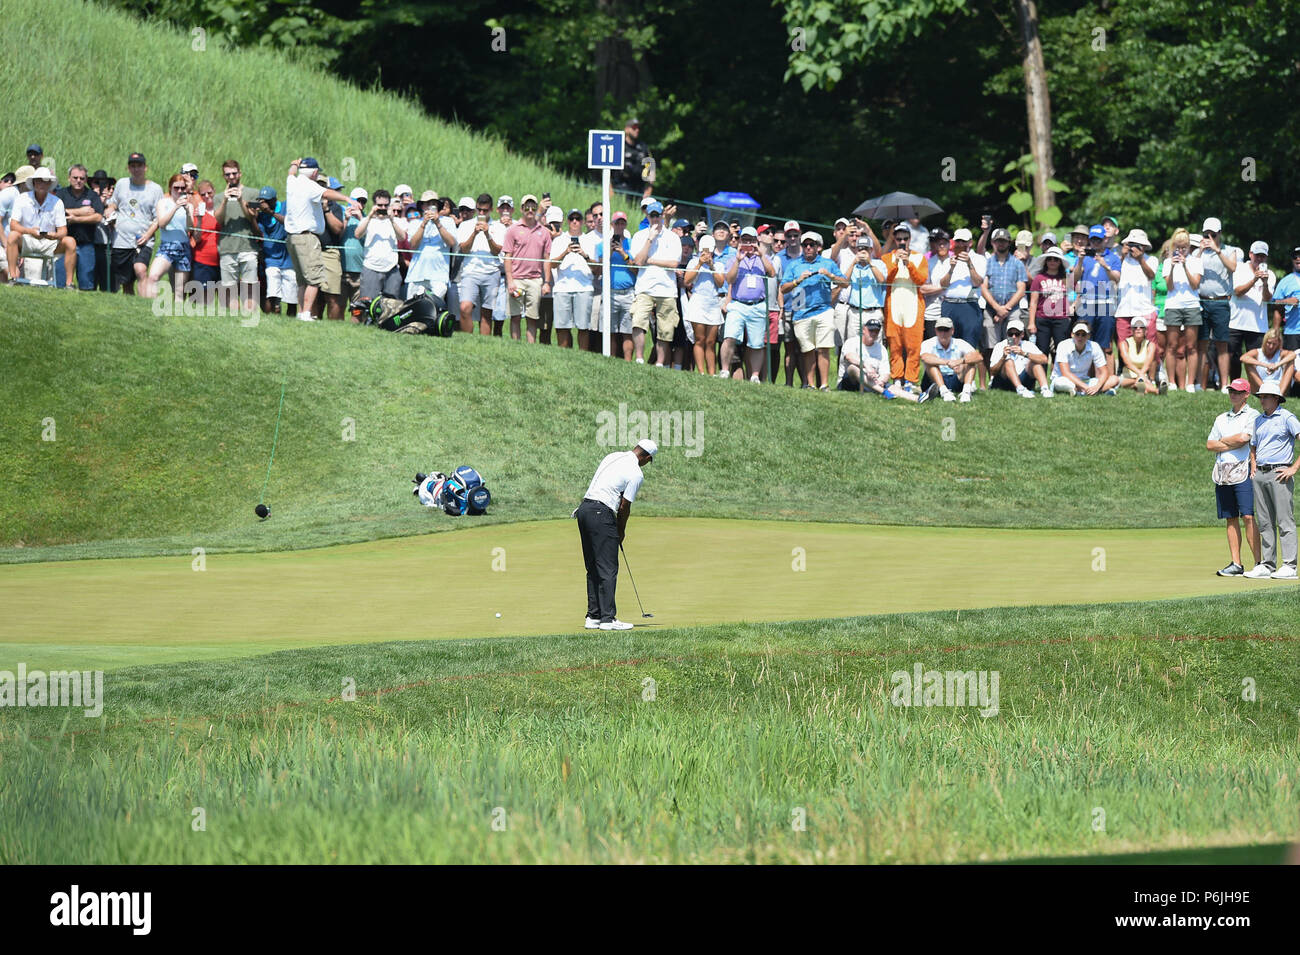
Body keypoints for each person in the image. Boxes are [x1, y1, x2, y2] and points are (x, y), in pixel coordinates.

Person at [575, 439, 657, 631]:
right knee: (608, 568)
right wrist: (620, 531)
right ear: (646, 457)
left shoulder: (613, 456)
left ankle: (593, 616)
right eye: (649, 461)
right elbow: (624, 506)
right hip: (601, 514)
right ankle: (607, 619)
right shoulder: (637, 473)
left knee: (593, 566)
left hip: (584, 510)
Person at [283, 157, 357, 322]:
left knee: (302, 280)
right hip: (307, 238)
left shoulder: (292, 182)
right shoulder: (310, 185)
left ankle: (301, 313)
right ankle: (307, 314)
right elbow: (326, 193)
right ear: (315, 172)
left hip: (292, 237)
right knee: (315, 279)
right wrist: (347, 199)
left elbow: (291, 172)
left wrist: (294, 164)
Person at [780, 231, 849, 390]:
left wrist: (830, 275)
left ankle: (824, 384)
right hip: (801, 312)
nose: (809, 248)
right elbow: (783, 288)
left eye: (812, 245)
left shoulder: (827, 263)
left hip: (823, 310)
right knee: (807, 349)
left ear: (818, 247)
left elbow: (845, 283)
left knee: (824, 348)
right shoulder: (794, 265)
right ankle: (810, 384)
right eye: (805, 245)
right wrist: (798, 281)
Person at [1245, 379, 1299, 579]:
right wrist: (1253, 466)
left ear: (1276, 398)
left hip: (1280, 474)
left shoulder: (1287, 418)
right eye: (1260, 397)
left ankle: (1289, 565)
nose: (1262, 400)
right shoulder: (1258, 420)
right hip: (1260, 473)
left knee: (1285, 520)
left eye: (1265, 397)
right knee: (1265, 521)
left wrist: (1293, 468)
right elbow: (1253, 445)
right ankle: (1267, 565)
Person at [1207, 379, 1261, 576]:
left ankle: (1259, 563)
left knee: (1247, 516)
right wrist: (1229, 442)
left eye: (1238, 392)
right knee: (1230, 518)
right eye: (1231, 391)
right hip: (1222, 472)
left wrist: (1222, 441)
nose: (1233, 394)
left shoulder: (1253, 414)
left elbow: (1243, 439)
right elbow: (1209, 445)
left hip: (1243, 471)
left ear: (1246, 394)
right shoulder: (1221, 418)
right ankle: (1236, 564)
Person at [629, 200, 682, 366]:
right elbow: (638, 261)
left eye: (657, 215)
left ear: (662, 215)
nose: (655, 219)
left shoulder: (673, 237)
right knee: (638, 321)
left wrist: (650, 260)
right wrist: (650, 239)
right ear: (648, 216)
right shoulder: (639, 236)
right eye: (651, 216)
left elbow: (674, 263)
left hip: (667, 290)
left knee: (665, 330)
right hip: (644, 288)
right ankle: (639, 358)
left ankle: (660, 363)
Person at [932, 227, 987, 387]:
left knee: (969, 344)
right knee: (949, 342)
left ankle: (968, 381)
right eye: (958, 241)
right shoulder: (948, 259)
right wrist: (951, 268)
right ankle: (952, 379)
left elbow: (978, 282)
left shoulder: (979, 259)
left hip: (969, 304)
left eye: (964, 241)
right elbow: (942, 284)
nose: (961, 244)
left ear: (970, 243)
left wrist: (969, 263)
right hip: (949, 304)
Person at [1190, 216, 1239, 392]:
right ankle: (1199, 384)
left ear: (1220, 233)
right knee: (1201, 344)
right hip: (1202, 301)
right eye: (1206, 234)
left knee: (1221, 345)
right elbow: (1191, 268)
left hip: (1221, 302)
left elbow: (1232, 267)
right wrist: (1201, 251)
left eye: (1212, 234)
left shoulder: (1230, 250)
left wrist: (1218, 250)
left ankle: (1224, 384)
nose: (1209, 237)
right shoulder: (1198, 253)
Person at [4, 167, 75, 286]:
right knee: (12, 236)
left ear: (50, 184)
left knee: (70, 242)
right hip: (27, 240)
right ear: (33, 182)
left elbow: (63, 230)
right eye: (39, 180)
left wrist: (54, 235)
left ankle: (69, 284)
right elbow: (13, 225)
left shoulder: (57, 202)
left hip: (48, 241)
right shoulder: (22, 198)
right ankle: (13, 278)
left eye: (45, 181)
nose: (42, 183)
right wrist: (30, 231)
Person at [105, 152, 162, 295]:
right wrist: (109, 211)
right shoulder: (122, 184)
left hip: (142, 240)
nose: (136, 169)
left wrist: (148, 235)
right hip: (121, 239)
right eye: (133, 166)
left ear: (145, 168)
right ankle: (133, 308)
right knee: (126, 281)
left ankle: (147, 300)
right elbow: (113, 203)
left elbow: (158, 218)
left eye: (139, 166)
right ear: (129, 168)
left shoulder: (155, 189)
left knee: (140, 269)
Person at [136, 174, 196, 301]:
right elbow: (162, 223)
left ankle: (177, 316)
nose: (179, 191)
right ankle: (149, 306)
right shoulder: (163, 203)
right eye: (176, 188)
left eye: (182, 188)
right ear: (170, 188)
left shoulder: (189, 206)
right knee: (153, 276)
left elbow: (190, 229)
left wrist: (186, 212)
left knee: (179, 291)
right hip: (167, 246)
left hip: (183, 247)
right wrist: (175, 207)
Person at [883, 223, 927, 392]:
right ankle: (897, 378)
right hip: (894, 304)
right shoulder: (887, 258)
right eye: (899, 238)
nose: (902, 241)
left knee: (913, 346)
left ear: (910, 239)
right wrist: (896, 262)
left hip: (913, 305)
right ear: (894, 239)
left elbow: (921, 280)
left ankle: (910, 380)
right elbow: (886, 278)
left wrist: (908, 263)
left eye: (905, 238)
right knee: (895, 345)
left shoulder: (919, 258)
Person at [549, 206, 600, 350]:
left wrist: (584, 254)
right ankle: (564, 356)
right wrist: (566, 252)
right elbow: (552, 264)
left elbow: (596, 268)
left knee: (583, 327)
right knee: (562, 327)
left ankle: (582, 356)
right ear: (567, 221)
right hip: (562, 288)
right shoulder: (559, 240)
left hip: (584, 288)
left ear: (583, 222)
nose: (575, 222)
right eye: (572, 219)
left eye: (578, 219)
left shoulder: (590, 241)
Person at [456, 193, 506, 335]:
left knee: (486, 314)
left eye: (485, 210)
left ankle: (483, 345)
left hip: (491, 273)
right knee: (465, 308)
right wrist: (474, 233)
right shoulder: (466, 225)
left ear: (491, 210)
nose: (481, 213)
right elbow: (464, 250)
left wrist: (487, 234)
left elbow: (497, 251)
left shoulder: (499, 227)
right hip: (470, 272)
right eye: (479, 210)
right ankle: (467, 340)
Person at [214, 160, 260, 312]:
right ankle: (234, 318)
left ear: (240, 173)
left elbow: (252, 217)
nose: (232, 177)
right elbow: (219, 220)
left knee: (250, 286)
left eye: (234, 173)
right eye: (228, 174)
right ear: (224, 176)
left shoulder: (253, 193)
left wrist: (241, 200)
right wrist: (226, 200)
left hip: (248, 246)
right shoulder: (219, 197)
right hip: (227, 247)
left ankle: (250, 316)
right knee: (229, 288)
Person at [838, 315, 918, 402]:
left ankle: (918, 398)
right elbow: (849, 357)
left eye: (876, 331)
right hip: (852, 382)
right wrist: (866, 365)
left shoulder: (881, 349)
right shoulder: (852, 342)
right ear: (864, 330)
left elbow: (886, 372)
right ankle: (884, 392)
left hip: (873, 381)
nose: (873, 333)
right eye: (871, 330)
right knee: (852, 368)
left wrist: (882, 380)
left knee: (892, 387)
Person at [980, 227, 1028, 369]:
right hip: (991, 309)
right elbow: (984, 287)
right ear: (993, 243)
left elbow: (1021, 289)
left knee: (1013, 342)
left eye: (1004, 241)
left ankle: (1013, 373)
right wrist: (997, 308)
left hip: (1012, 309)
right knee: (990, 345)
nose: (1001, 244)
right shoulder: (987, 262)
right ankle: (993, 375)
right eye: (998, 241)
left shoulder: (1017, 263)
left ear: (1009, 243)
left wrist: (1005, 309)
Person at [1071, 224, 1120, 358]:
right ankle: (1087, 376)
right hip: (1087, 304)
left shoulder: (1113, 257)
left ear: (1105, 239)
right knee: (1085, 343)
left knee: (1105, 346)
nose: (1095, 243)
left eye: (1098, 240)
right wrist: (1080, 261)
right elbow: (1074, 279)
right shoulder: (1084, 257)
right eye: (1093, 240)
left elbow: (1116, 278)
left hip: (1106, 304)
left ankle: (1104, 376)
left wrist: (1105, 265)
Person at [1229, 240, 1274, 381]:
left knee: (1256, 360)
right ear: (1250, 254)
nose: (1259, 259)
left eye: (1262, 256)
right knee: (1233, 356)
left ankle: (1256, 387)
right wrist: (1254, 280)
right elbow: (1237, 291)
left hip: (1258, 325)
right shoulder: (1239, 269)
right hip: (1236, 322)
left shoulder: (1270, 274)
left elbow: (1267, 299)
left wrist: (1265, 284)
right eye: (1257, 255)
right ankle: (1235, 385)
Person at [1162, 229, 1200, 392]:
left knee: (1191, 346)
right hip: (1173, 305)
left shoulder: (1196, 261)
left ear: (1189, 246)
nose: (1181, 250)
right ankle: (1172, 382)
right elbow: (1169, 286)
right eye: (1178, 247)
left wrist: (1184, 265)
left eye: (1184, 247)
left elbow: (1195, 285)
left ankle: (1190, 383)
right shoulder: (1166, 262)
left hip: (1191, 305)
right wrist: (1171, 267)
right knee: (1172, 345)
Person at [53, 164, 103, 291]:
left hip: (86, 244)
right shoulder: (61, 194)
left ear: (86, 180)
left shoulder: (92, 196)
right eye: (75, 178)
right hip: (64, 244)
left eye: (82, 178)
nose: (78, 181)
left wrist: (75, 219)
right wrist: (80, 211)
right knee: (61, 282)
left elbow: (98, 217)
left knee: (86, 284)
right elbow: (54, 213)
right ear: (69, 178)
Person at [404, 190, 457, 307]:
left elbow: (451, 242)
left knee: (433, 307)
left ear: (438, 205)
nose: (430, 206)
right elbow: (413, 245)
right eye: (427, 203)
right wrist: (423, 224)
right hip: (417, 274)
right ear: (422, 206)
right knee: (413, 307)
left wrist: (437, 223)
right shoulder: (415, 223)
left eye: (433, 203)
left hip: (439, 275)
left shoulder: (447, 222)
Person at [684, 234, 726, 375]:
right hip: (698, 301)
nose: (706, 253)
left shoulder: (718, 264)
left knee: (710, 341)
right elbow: (687, 280)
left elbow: (720, 283)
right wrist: (700, 264)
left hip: (713, 302)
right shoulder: (693, 262)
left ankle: (712, 372)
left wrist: (711, 265)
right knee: (699, 339)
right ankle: (701, 371)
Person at [354, 188, 406, 299]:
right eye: (380, 205)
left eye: (386, 205)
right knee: (367, 303)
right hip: (371, 267)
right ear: (374, 205)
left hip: (391, 268)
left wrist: (392, 220)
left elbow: (402, 237)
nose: (383, 208)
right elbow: (358, 234)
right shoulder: (368, 220)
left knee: (391, 305)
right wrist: (370, 216)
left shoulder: (395, 221)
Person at [1028, 246, 1071, 379]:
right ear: (1046, 261)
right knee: (1042, 350)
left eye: (1056, 259)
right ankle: (1042, 381)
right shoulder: (1039, 278)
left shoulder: (1066, 278)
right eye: (1050, 259)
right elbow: (1033, 302)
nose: (1052, 262)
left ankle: (1061, 378)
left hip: (1061, 318)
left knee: (1061, 350)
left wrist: (1073, 306)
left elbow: (1079, 292)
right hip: (1042, 318)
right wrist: (1031, 323)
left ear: (1060, 262)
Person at [600, 211, 637, 359]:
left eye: (623, 223)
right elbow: (600, 267)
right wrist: (610, 249)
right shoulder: (603, 244)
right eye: (617, 223)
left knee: (627, 331)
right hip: (610, 292)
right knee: (611, 331)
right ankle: (611, 360)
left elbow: (635, 269)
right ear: (612, 225)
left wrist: (623, 253)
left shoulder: (632, 243)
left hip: (628, 293)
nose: (620, 226)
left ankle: (627, 362)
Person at [255, 186, 296, 316]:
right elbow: (257, 232)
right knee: (272, 292)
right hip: (270, 259)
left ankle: (291, 320)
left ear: (274, 200)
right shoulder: (261, 216)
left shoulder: (285, 206)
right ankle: (275, 317)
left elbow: (289, 223)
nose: (264, 204)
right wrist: (253, 216)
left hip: (288, 258)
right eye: (261, 201)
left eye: (267, 200)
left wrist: (271, 212)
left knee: (291, 296)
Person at [919, 315, 980, 402]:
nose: (943, 333)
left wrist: (960, 361)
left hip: (956, 377)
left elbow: (978, 356)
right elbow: (924, 357)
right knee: (931, 364)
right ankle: (944, 392)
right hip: (933, 380)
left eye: (946, 330)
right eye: (940, 330)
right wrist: (947, 362)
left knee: (970, 362)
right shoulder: (928, 343)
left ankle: (966, 393)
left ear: (952, 331)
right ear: (936, 331)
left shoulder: (960, 343)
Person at [1052, 322, 1121, 395]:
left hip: (1085, 380)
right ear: (1072, 334)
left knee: (1114, 379)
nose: (1080, 337)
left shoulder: (1094, 346)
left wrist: (1097, 386)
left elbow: (1104, 372)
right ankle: (1097, 391)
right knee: (1062, 383)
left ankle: (1082, 391)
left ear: (1088, 336)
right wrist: (1086, 387)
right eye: (1077, 334)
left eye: (1083, 335)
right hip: (1064, 379)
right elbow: (1065, 373)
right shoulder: (1063, 345)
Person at [988, 318, 1048, 397]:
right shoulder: (1000, 346)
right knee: (1008, 361)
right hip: (1004, 381)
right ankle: (1020, 389)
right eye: (1010, 334)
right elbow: (992, 372)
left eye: (1016, 334)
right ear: (1007, 334)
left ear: (1022, 334)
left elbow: (1044, 359)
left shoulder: (1027, 345)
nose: (1013, 337)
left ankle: (1045, 389)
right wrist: (1003, 357)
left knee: (1035, 363)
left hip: (1023, 379)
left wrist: (1024, 354)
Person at [189, 180, 220, 305]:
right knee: (203, 299)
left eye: (209, 193)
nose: (207, 196)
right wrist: (200, 220)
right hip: (203, 261)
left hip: (221, 261)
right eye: (203, 194)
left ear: (214, 191)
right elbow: (196, 238)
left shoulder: (221, 209)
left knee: (224, 297)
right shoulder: (198, 212)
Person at [1272, 247, 1300, 383]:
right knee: (1292, 364)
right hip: (1292, 331)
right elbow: (1276, 305)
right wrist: (1288, 301)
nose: (1298, 259)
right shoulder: (1285, 281)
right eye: (1295, 256)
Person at [1241, 330, 1295, 396]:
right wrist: (1266, 365)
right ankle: (1264, 391)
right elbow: (1243, 358)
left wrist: (1276, 365)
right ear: (1264, 341)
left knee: (1291, 362)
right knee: (1248, 363)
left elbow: (1293, 355)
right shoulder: (1257, 352)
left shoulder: (1280, 353)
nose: (1271, 346)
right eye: (1269, 343)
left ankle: (1279, 394)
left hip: (1278, 387)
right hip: (1260, 387)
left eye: (1274, 344)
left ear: (1278, 343)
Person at [1116, 317, 1162, 394]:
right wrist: (1140, 375)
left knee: (1140, 382)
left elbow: (1147, 364)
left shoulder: (1151, 345)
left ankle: (1140, 388)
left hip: (1143, 377)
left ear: (1145, 330)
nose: (1138, 329)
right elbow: (1128, 363)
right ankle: (1157, 391)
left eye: (1141, 327)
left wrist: (1141, 376)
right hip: (1126, 378)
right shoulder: (1124, 344)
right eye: (1135, 327)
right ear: (1132, 330)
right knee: (1138, 382)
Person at [611, 118, 653, 199]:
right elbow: (609, 169)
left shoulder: (643, 147)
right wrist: (610, 188)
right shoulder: (619, 145)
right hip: (621, 188)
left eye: (638, 128)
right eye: (634, 128)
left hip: (639, 189)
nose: (637, 130)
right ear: (626, 129)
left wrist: (649, 187)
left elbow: (651, 167)